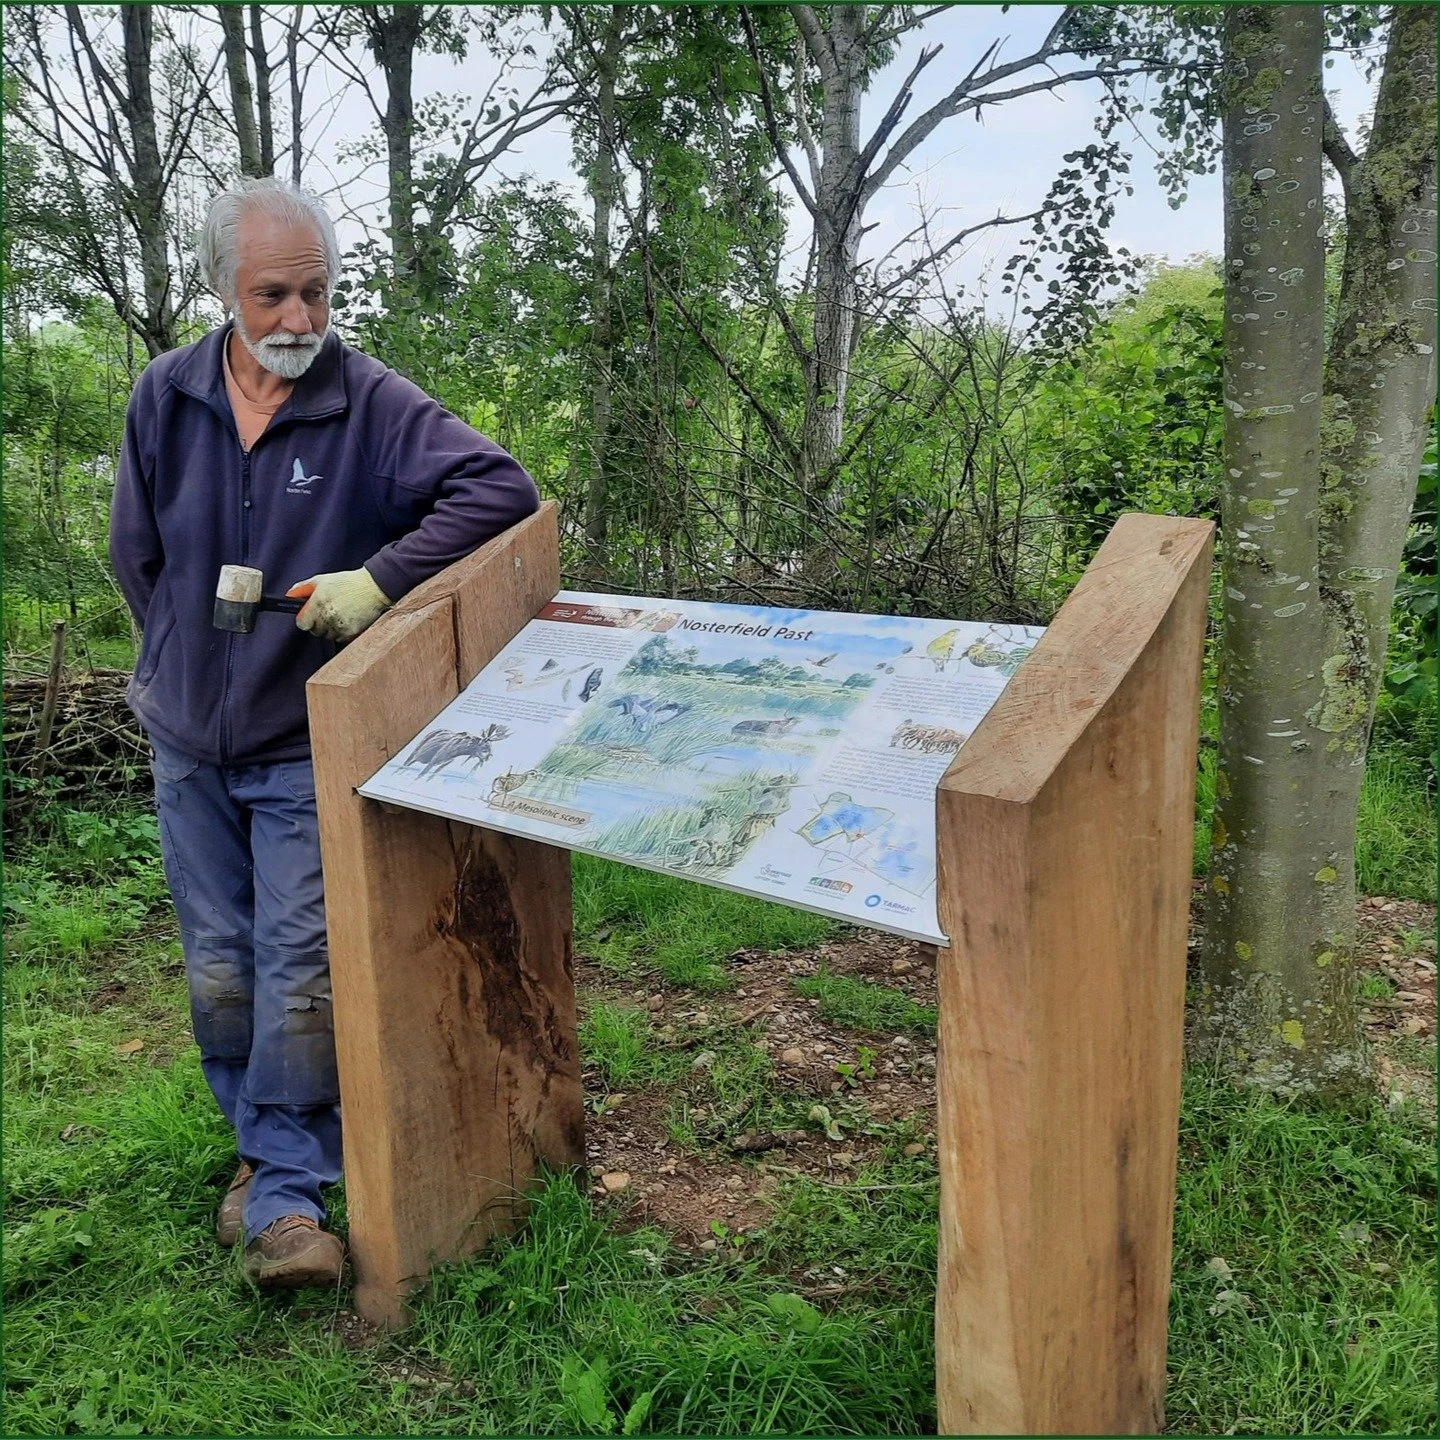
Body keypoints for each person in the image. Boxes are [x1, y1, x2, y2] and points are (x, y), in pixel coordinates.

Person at [108, 178, 540, 1289]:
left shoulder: (372, 403)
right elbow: (137, 555)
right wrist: (179, 663)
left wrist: (380, 581)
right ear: (221, 290)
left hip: (304, 739)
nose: (299, 320)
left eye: (317, 292)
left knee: (298, 966)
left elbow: (499, 488)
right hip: (188, 739)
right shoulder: (165, 396)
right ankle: (268, 1155)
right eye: (273, 295)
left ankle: (285, 1201)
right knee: (220, 968)